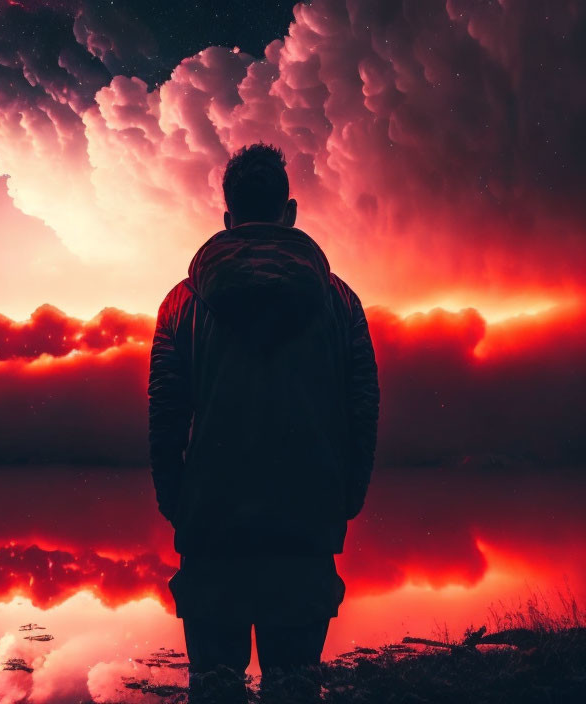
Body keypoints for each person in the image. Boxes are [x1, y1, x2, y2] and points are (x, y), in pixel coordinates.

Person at [147, 143, 380, 703]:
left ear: (228, 219)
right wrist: (344, 498)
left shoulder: (182, 304)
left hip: (212, 529)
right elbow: (362, 407)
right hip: (305, 526)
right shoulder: (339, 301)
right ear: (290, 212)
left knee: (216, 692)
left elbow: (165, 414)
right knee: (295, 690)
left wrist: (178, 503)